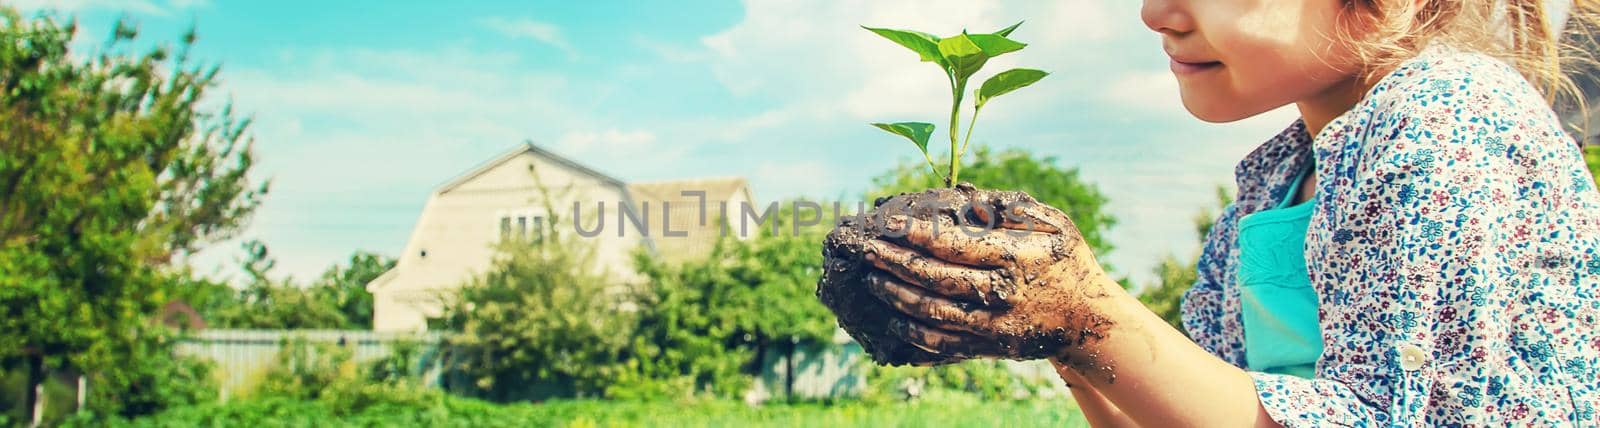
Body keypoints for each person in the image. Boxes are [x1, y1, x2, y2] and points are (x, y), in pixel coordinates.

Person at [857, 0, 1600, 425]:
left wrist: (1091, 313)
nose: (1156, 13)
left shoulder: (1449, 118)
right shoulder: (1270, 184)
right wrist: (1054, 334)